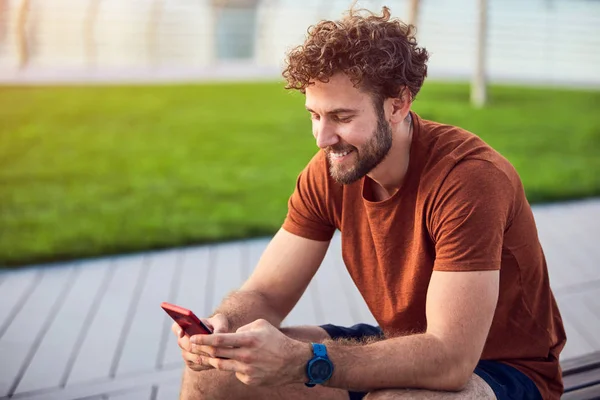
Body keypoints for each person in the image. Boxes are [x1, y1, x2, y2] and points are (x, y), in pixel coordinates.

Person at [171, 6, 566, 400]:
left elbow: (450, 357)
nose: (322, 138)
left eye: (341, 117)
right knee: (220, 373)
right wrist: (220, 328)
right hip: (403, 342)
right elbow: (267, 296)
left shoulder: (468, 179)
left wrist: (303, 361)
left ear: (398, 105)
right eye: (314, 115)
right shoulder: (331, 170)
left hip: (504, 369)